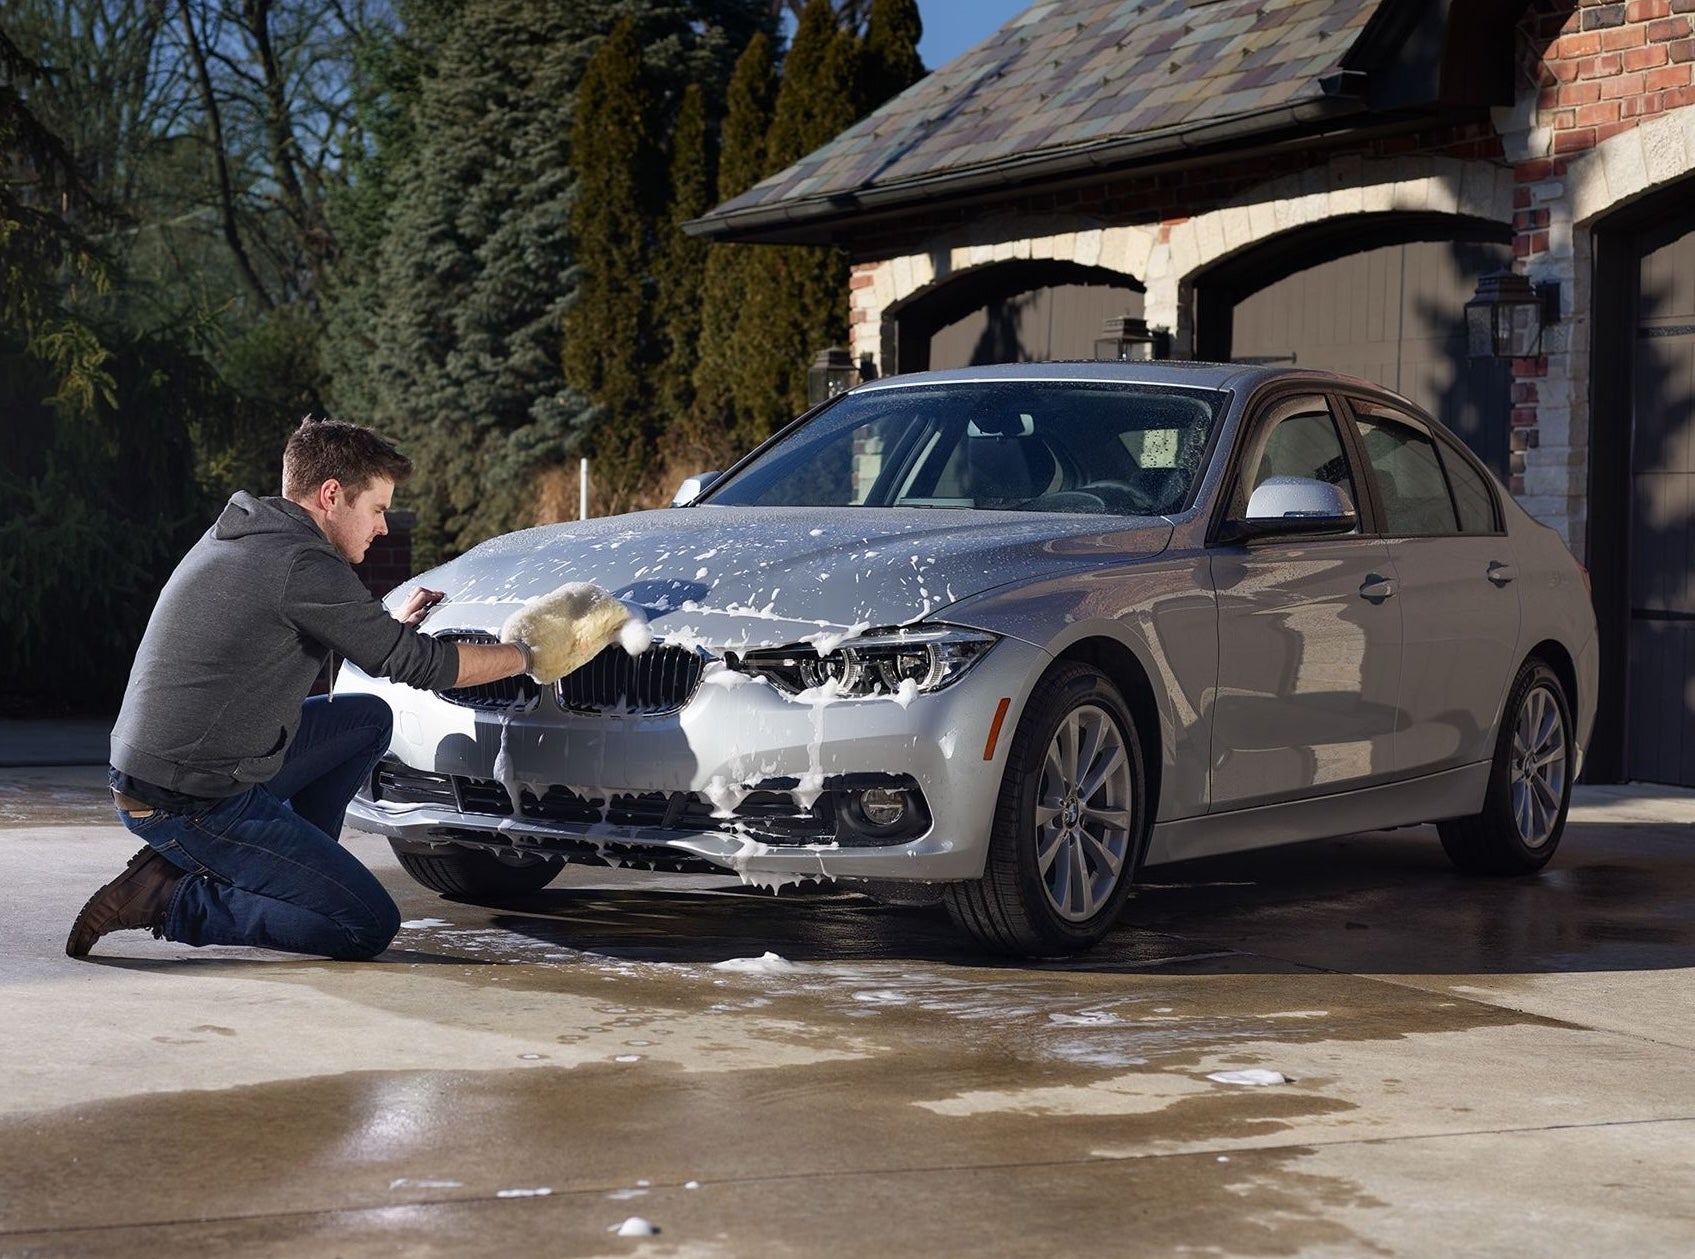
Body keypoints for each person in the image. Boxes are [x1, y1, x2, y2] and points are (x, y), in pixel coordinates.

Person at [66, 418, 537, 961]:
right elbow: (423, 666)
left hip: (176, 771)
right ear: (331, 495)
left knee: (366, 721)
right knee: (365, 925)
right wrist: (527, 655)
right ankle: (171, 898)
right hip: (187, 800)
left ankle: (293, 873)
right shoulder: (301, 563)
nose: (383, 527)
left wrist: (386, 627)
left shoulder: (257, 534)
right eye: (378, 509)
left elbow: (304, 625)